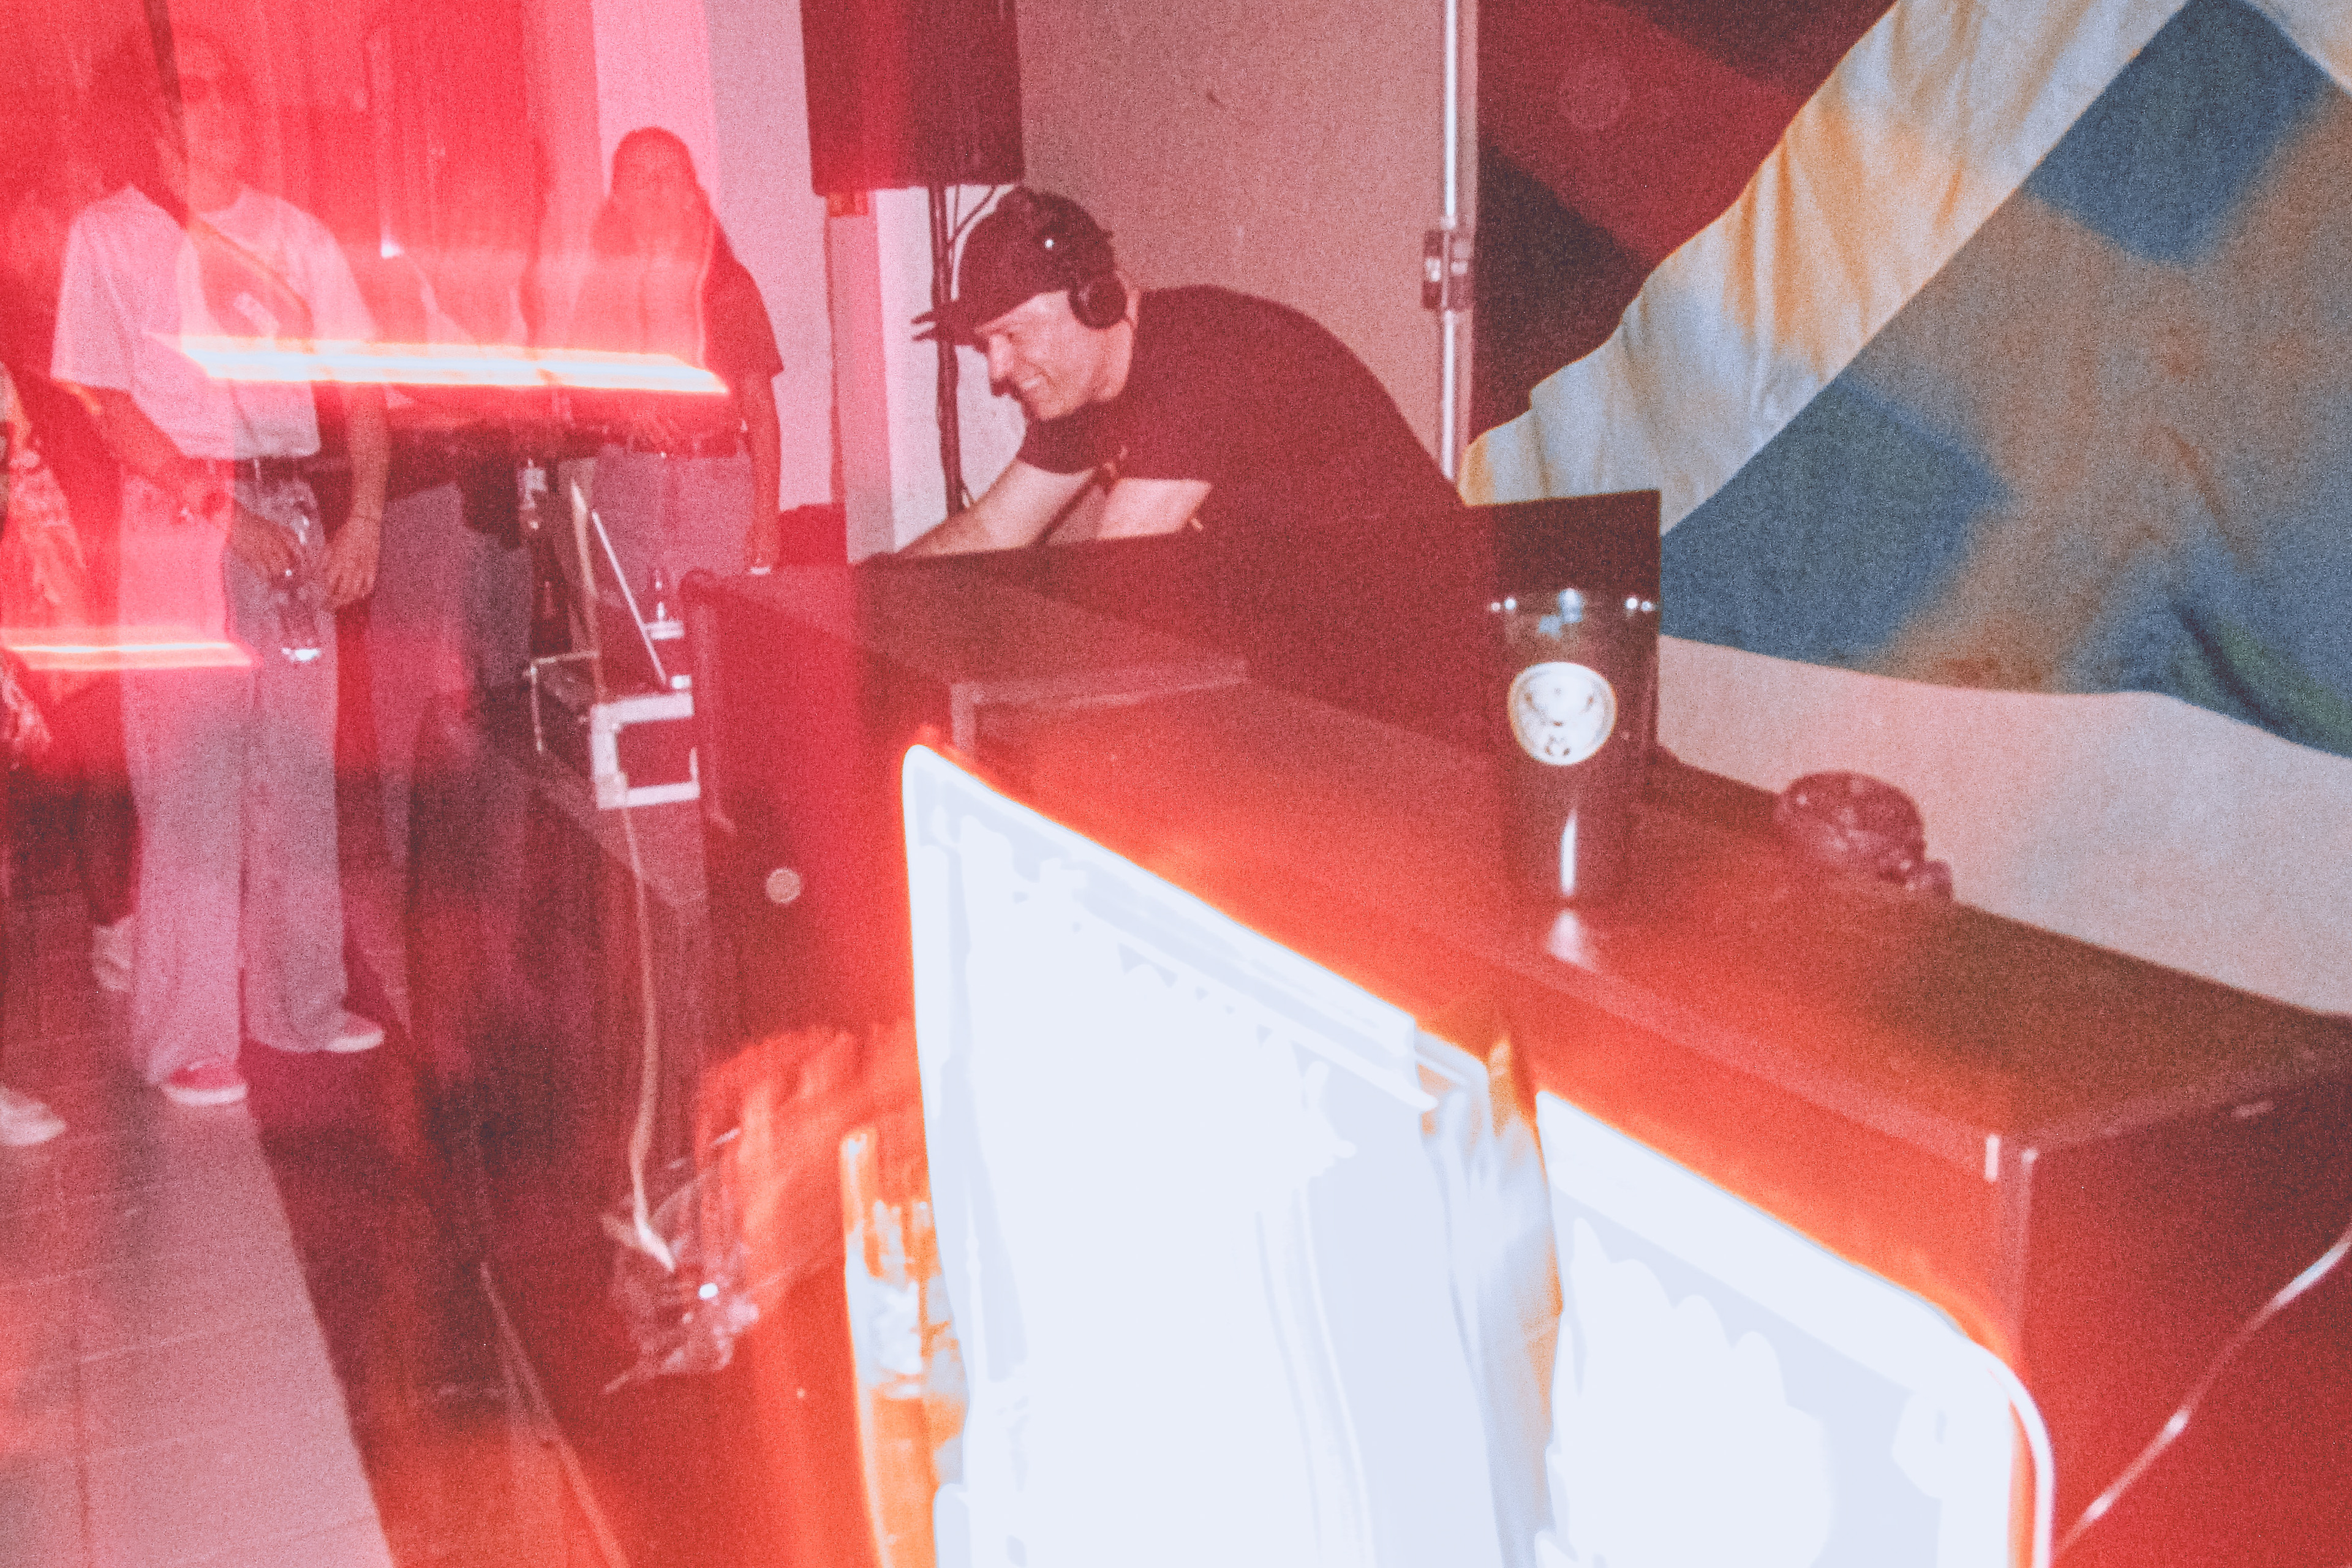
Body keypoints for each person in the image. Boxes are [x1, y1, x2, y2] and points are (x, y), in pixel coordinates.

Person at [52, 32, 389, 1108]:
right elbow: (107, 406)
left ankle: (300, 1004)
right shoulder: (110, 235)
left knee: (298, 769)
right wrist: (215, 504)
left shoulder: (297, 234)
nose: (226, 108)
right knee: (191, 781)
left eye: (232, 88)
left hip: (290, 510)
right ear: (154, 117)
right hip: (180, 522)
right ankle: (186, 1039)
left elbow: (363, 384)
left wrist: (364, 515)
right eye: (198, 92)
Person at [900, 187, 1457, 557]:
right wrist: (873, 597)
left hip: (1421, 619)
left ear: (1095, 302)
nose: (999, 369)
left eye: (1012, 335)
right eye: (988, 344)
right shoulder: (1087, 388)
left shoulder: (1201, 357)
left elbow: (1115, 583)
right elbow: (992, 528)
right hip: (1318, 619)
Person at [366, 159, 538, 872]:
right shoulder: (407, 281)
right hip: (426, 502)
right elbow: (406, 374)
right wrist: (501, 405)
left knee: (502, 689)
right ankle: (414, 864)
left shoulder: (522, 291)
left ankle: (495, 862)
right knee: (423, 692)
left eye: (496, 205)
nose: (482, 220)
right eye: (468, 205)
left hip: (502, 506)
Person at [569, 127, 783, 605]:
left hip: (714, 490)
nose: (655, 186)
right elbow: (579, 391)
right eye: (639, 175)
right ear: (617, 198)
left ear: (692, 194)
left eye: (669, 174)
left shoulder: (729, 285)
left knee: (712, 633)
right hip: (628, 486)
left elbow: (762, 412)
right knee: (630, 633)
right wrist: (626, 409)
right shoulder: (601, 289)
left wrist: (766, 517)